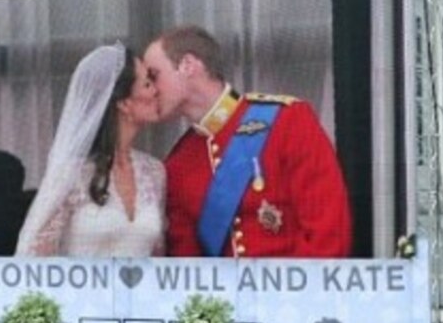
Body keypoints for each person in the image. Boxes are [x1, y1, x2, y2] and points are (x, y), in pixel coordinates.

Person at [143, 25, 352, 258]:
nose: (149, 90)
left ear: (188, 65)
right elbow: (190, 266)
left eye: (153, 76)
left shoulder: (287, 121)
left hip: (297, 290)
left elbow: (328, 234)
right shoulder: (178, 163)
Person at [16, 43, 165, 256]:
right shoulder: (73, 173)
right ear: (124, 103)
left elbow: (160, 261)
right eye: (148, 84)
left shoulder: (155, 172)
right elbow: (34, 259)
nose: (157, 91)